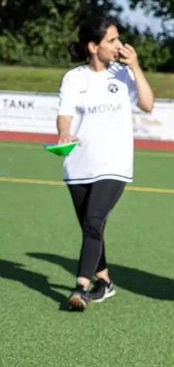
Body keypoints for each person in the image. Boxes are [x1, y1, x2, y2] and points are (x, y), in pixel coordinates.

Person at [57, 17, 155, 311]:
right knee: (91, 227)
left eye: (118, 39)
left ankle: (80, 288)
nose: (119, 45)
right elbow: (65, 114)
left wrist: (136, 67)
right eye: (111, 40)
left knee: (93, 221)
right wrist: (63, 132)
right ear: (93, 46)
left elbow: (148, 104)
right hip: (77, 165)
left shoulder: (123, 74)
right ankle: (104, 281)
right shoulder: (73, 78)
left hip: (115, 164)